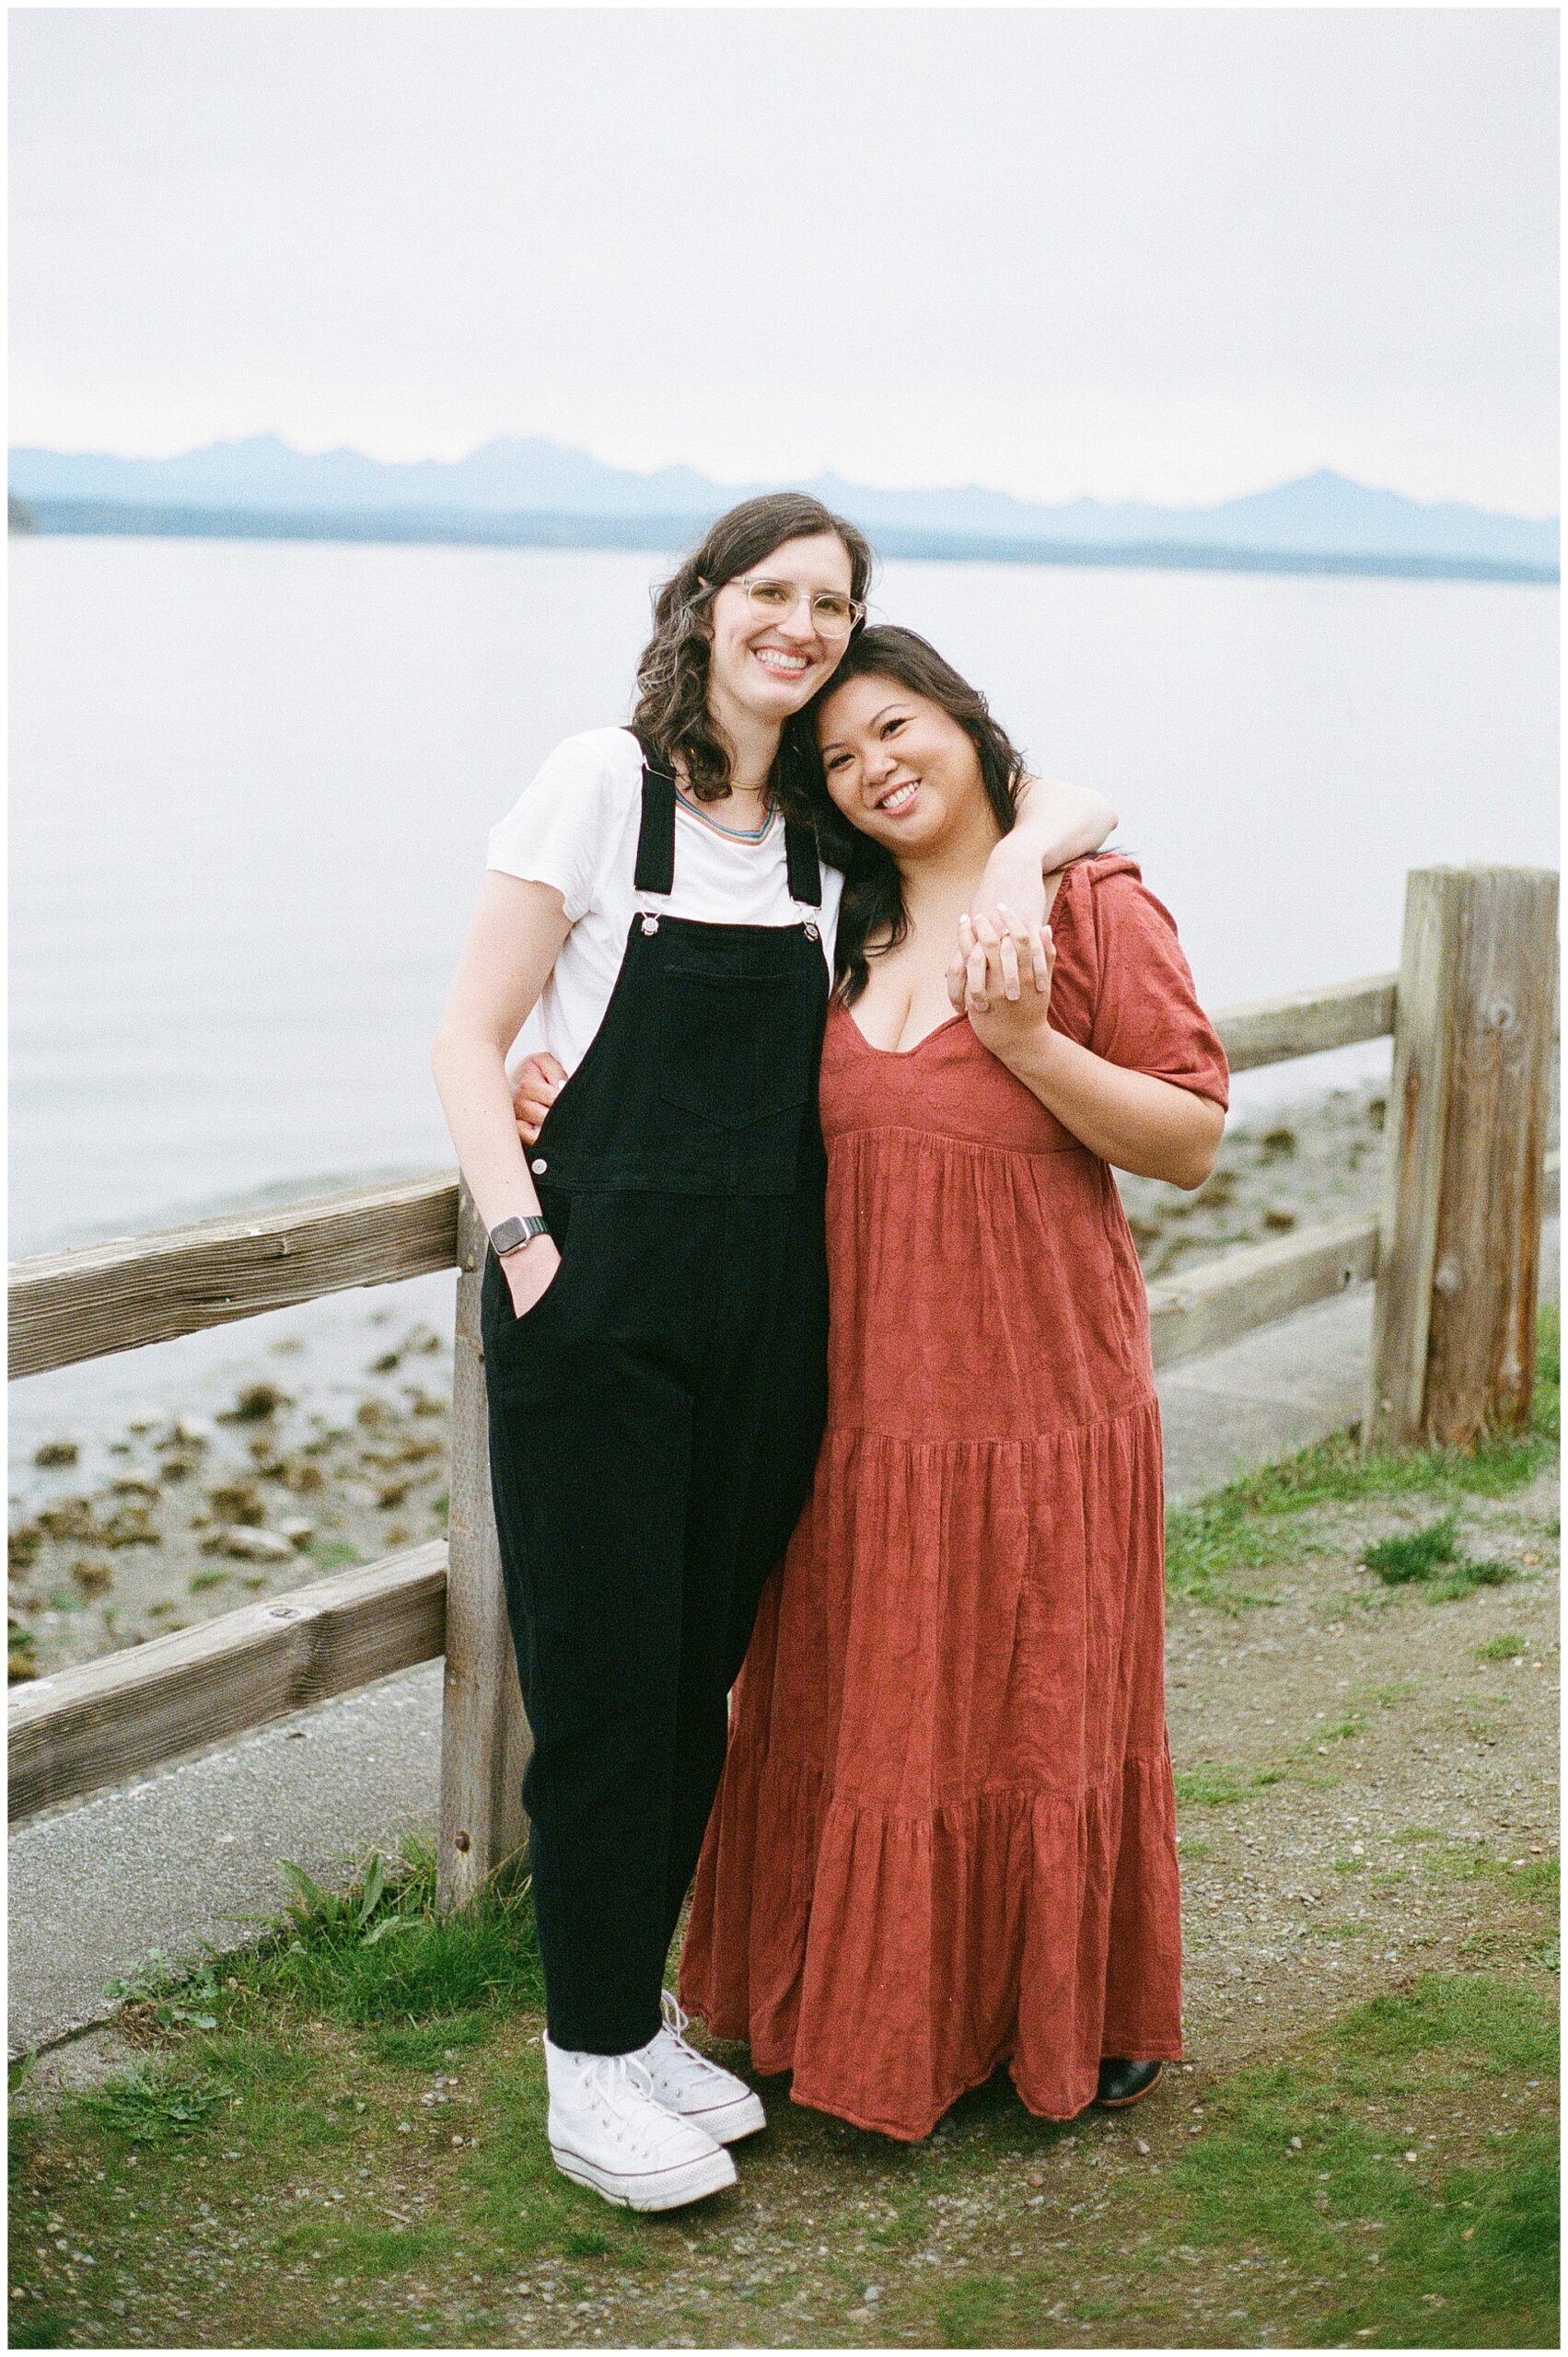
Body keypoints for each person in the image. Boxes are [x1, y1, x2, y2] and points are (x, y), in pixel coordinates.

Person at [431, 500, 1117, 2211]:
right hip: (596, 1317)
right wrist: (525, 1244)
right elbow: (468, 1035)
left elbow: (1052, 796)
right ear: (709, 604)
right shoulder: (600, 782)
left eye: (836, 604)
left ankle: (638, 2015)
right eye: (776, 593)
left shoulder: (821, 840)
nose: (803, 624)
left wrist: (1028, 857)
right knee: (602, 1697)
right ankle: (584, 2066)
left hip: (766, 1319)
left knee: (694, 1690)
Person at [670, 625, 1229, 2142]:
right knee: (861, 1723)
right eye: (839, 758)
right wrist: (543, 1088)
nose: (874, 768)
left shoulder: (1091, 903)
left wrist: (1028, 1041)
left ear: (970, 730)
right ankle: (831, 2010)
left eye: (897, 727)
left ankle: (1067, 2012)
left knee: (1038, 1715)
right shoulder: (829, 922)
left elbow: (1186, 1139)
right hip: (856, 1420)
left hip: (1038, 1411)